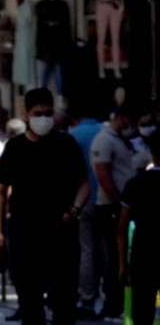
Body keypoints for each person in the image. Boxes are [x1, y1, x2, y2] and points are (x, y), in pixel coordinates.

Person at [0, 87, 90, 325]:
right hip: (25, 234)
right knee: (30, 302)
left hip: (62, 233)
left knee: (64, 303)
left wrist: (74, 210)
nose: (43, 118)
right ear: (26, 114)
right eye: (38, 113)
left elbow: (84, 184)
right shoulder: (15, 147)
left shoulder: (66, 144)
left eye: (48, 113)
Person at [90, 104, 138, 321]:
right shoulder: (104, 140)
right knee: (114, 257)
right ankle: (112, 306)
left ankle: (117, 304)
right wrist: (121, 202)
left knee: (120, 256)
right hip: (111, 207)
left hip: (120, 206)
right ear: (120, 117)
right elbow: (102, 174)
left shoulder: (117, 140)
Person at [118, 129, 160, 325]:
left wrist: (122, 264)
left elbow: (121, 227)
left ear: (152, 153)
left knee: (143, 311)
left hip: (143, 254)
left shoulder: (136, 184)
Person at [67, 101, 103, 318]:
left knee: (87, 251)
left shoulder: (74, 135)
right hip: (108, 199)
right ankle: (109, 296)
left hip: (85, 201)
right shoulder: (104, 130)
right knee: (106, 250)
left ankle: (87, 299)